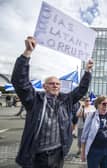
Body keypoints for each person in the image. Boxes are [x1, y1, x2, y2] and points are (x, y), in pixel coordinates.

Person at [11, 36, 93, 168]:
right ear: (44, 86)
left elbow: (81, 90)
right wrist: (27, 53)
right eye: (51, 83)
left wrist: (88, 71)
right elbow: (20, 82)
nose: (55, 85)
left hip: (58, 153)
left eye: (57, 84)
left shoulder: (66, 100)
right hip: (37, 156)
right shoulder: (35, 100)